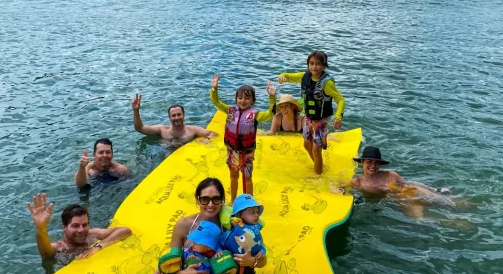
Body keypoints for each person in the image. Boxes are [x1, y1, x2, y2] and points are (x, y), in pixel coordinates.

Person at [330, 146, 454, 219]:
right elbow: (337, 184)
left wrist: (434, 189)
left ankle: (459, 206)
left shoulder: (390, 175)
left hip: (414, 193)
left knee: (450, 203)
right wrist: (340, 191)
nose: (373, 166)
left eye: (376, 162)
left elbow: (411, 183)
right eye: (369, 162)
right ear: (362, 162)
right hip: (402, 201)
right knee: (421, 220)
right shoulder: (358, 182)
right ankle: (451, 222)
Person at [210, 74, 277, 203]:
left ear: (253, 101)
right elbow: (216, 102)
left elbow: (271, 113)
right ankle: (234, 200)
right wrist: (214, 89)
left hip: (246, 153)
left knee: (247, 178)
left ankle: (248, 202)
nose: (242, 101)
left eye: (247, 98)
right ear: (236, 99)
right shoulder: (230, 110)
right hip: (232, 151)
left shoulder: (255, 115)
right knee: (233, 176)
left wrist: (272, 96)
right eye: (240, 98)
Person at [278, 50, 346, 175]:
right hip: (308, 118)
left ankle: (318, 176)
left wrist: (338, 116)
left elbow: (340, 100)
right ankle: (318, 165)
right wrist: (282, 76)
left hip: (321, 120)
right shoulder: (304, 76)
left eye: (318, 64)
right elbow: (287, 76)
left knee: (316, 149)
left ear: (324, 66)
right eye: (311, 63)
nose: (314, 67)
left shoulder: (327, 83)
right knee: (306, 144)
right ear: (308, 64)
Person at [26, 192, 132, 263]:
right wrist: (41, 228)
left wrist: (97, 247)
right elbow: (45, 252)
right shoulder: (60, 248)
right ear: (64, 227)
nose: (81, 230)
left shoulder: (92, 234)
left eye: (84, 225)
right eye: (75, 226)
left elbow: (125, 231)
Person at [220, 194, 265, 274]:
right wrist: (219, 251)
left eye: (257, 212)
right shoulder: (230, 232)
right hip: (232, 270)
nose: (256, 215)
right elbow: (221, 244)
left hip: (248, 270)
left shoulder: (256, 232)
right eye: (252, 212)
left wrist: (261, 255)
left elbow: (261, 246)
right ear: (239, 215)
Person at [132, 94, 218, 144]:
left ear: (184, 115)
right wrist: (136, 110)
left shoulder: (192, 130)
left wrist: (207, 139)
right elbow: (140, 128)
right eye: (173, 115)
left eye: (179, 114)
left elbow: (213, 133)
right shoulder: (162, 130)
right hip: (165, 154)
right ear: (169, 117)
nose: (176, 118)